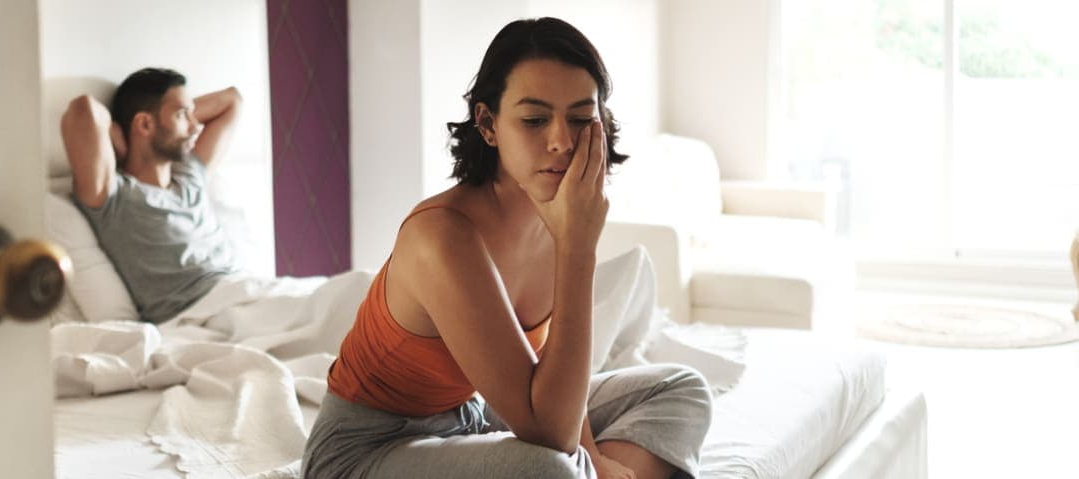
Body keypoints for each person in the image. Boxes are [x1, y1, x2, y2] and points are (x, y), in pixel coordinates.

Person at [302, 18, 712, 479]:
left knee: (683, 390)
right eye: (535, 120)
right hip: (365, 451)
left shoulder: (553, 214)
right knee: (551, 469)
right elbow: (552, 431)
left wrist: (594, 458)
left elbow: (554, 379)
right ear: (488, 123)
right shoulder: (442, 237)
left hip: (470, 419)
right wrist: (578, 250)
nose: (561, 141)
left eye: (580, 119)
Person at [60, 67, 244, 324]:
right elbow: (84, 109)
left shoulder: (190, 175)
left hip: (243, 291)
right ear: (144, 123)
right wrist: (121, 137)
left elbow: (232, 100)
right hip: (200, 312)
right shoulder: (113, 195)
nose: (195, 127)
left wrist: (177, 119)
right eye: (182, 115)